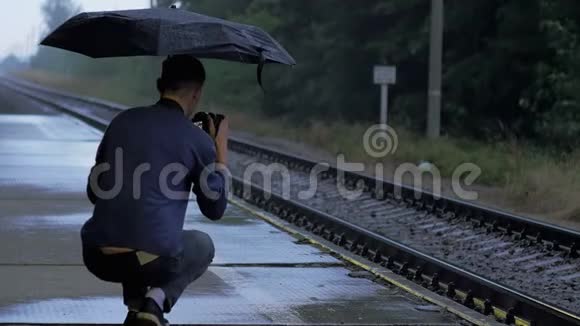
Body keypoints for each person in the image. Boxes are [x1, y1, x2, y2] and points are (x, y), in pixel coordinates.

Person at [81, 55, 229, 326]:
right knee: (201, 244)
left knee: (136, 223)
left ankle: (137, 309)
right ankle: (156, 301)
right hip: (150, 260)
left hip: (96, 255)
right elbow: (215, 209)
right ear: (196, 94)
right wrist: (219, 158)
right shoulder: (197, 140)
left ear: (160, 85)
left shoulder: (122, 121)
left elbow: (94, 193)